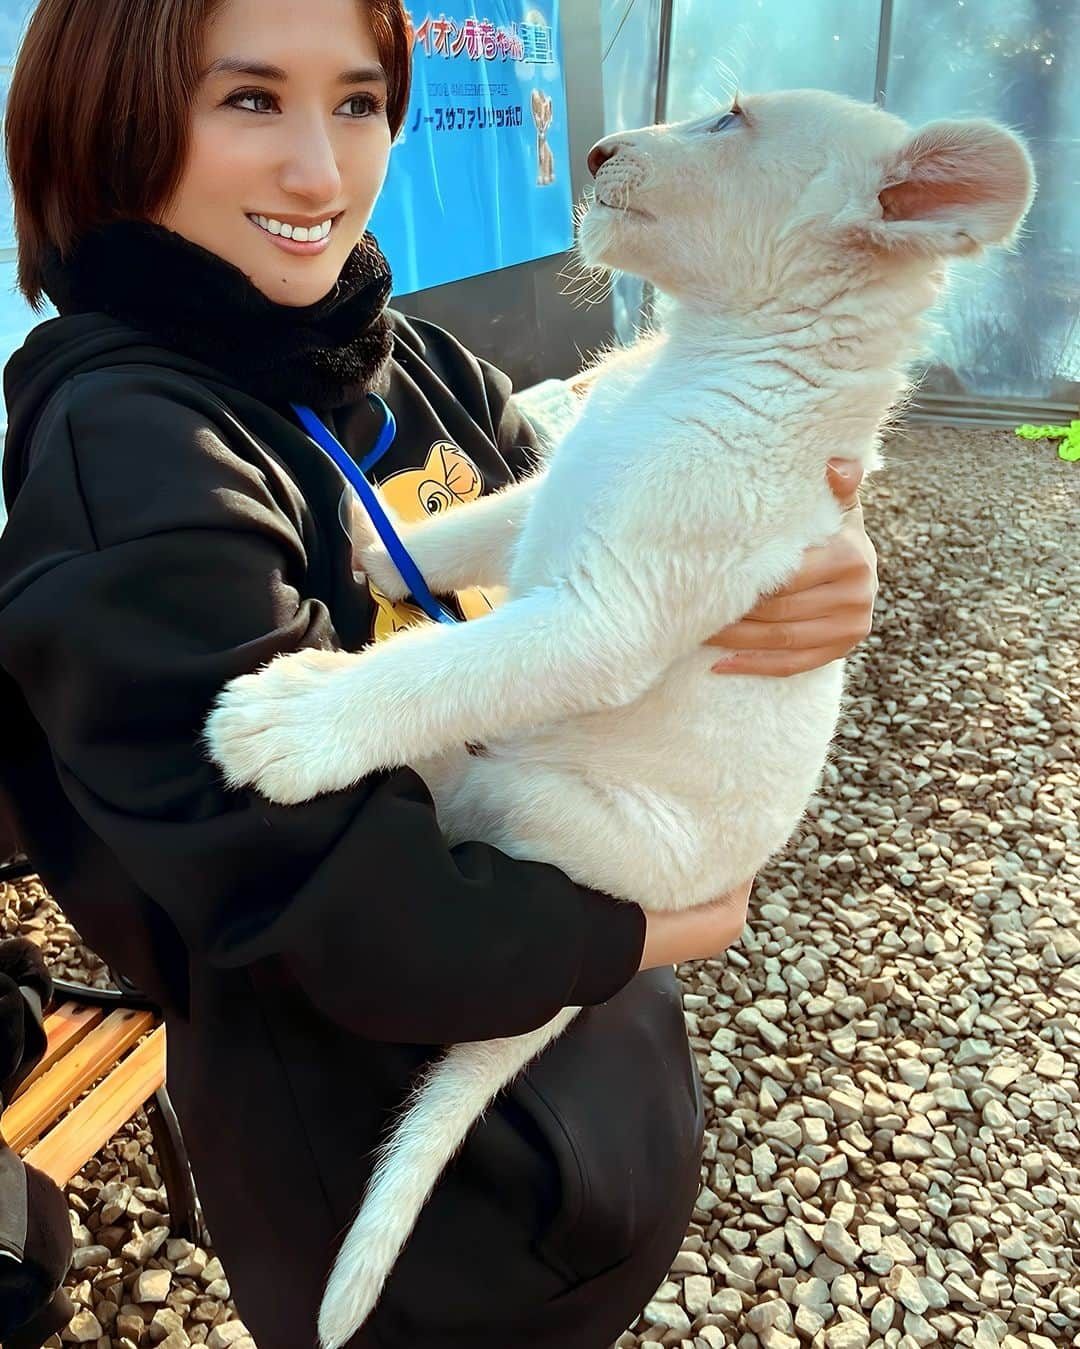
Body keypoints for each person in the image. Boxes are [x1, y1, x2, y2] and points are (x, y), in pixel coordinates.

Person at [0, 1, 878, 1346]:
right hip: (410, 1219)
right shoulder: (137, 466)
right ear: (115, 119)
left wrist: (810, 549)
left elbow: (614, 491)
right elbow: (332, 910)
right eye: (249, 101)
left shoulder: (400, 354)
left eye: (357, 103)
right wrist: (656, 928)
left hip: (591, 1099)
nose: (321, 171)